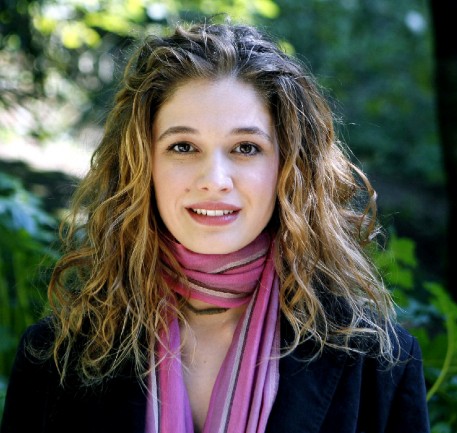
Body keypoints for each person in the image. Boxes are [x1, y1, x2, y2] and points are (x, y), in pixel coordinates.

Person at [0, 22, 429, 433]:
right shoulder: (53, 357)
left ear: (289, 168)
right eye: (183, 146)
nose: (214, 179)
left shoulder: (379, 365)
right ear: (142, 165)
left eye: (246, 147)